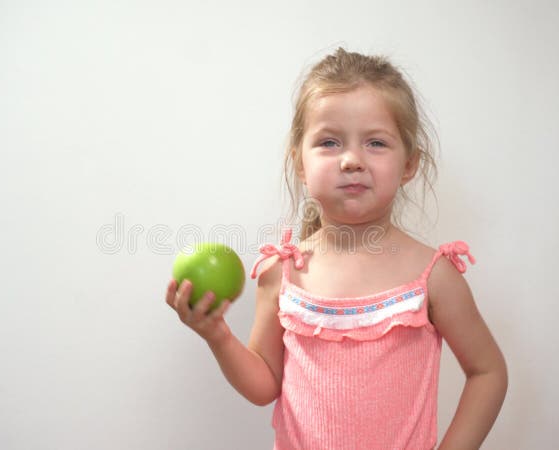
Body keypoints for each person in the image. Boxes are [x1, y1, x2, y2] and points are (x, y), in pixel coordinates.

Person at [165, 47, 507, 450]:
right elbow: (263, 386)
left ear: (410, 164)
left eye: (376, 143)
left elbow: (488, 372)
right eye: (329, 142)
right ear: (299, 163)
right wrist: (216, 335)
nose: (351, 160)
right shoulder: (283, 272)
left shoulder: (431, 276)